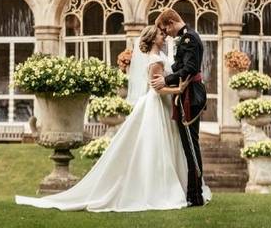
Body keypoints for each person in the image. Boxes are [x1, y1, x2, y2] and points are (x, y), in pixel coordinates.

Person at [14, 25, 211, 212]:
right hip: (157, 105)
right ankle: (160, 189)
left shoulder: (160, 55)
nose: (164, 36)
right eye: (160, 34)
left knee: (168, 146)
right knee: (157, 147)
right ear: (152, 39)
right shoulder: (155, 59)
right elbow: (157, 89)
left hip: (164, 105)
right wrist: (179, 89)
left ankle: (179, 187)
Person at [151, 8, 207, 207]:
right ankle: (193, 192)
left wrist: (166, 78)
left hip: (190, 95)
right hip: (186, 92)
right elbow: (180, 66)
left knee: (191, 146)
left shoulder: (188, 39)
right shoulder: (185, 38)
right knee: (189, 145)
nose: (166, 34)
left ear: (171, 22)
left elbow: (190, 68)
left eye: (165, 30)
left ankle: (195, 195)